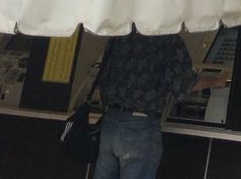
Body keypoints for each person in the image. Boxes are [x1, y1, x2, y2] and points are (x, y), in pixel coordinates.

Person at [94, 29, 227, 179]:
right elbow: (186, 84)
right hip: (140, 126)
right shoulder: (169, 40)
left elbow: (103, 77)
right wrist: (218, 81)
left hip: (110, 121)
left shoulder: (121, 34)